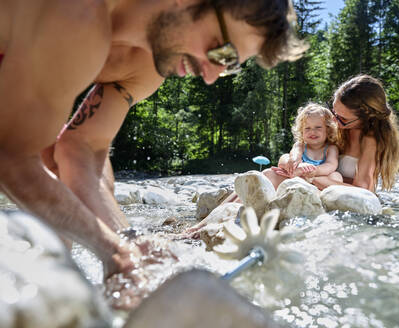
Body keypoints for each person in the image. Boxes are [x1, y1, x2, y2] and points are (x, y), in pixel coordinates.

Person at [0, 0, 308, 302]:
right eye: (220, 49)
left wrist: (131, 243)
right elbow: (13, 156)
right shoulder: (78, 13)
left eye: (230, 64)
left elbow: (80, 149)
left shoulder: (146, 64)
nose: (211, 75)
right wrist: (116, 254)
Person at [265, 74, 399, 192]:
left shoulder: (370, 141)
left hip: (338, 195)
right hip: (313, 184)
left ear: (366, 116)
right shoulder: (338, 128)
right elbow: (300, 148)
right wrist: (291, 162)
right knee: (268, 175)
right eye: (334, 112)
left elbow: (364, 190)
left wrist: (311, 177)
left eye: (342, 118)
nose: (333, 121)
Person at [266, 103, 342, 189]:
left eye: (318, 127)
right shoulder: (300, 145)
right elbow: (294, 155)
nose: (312, 131)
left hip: (318, 182)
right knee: (282, 160)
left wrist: (314, 171)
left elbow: (331, 165)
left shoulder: (331, 148)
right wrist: (297, 165)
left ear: (328, 129)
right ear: (301, 131)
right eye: (307, 128)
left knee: (336, 175)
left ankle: (322, 198)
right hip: (296, 178)